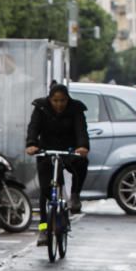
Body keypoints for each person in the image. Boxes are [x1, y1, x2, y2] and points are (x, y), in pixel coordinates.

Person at [25, 83, 90, 243]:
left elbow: (81, 129)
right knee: (45, 192)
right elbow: (33, 127)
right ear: (50, 99)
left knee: (81, 164)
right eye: (55, 100)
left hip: (69, 150)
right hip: (46, 150)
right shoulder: (41, 107)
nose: (59, 104)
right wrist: (31, 144)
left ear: (68, 99)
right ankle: (43, 229)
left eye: (62, 100)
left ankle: (75, 195)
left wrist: (82, 146)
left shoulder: (76, 109)